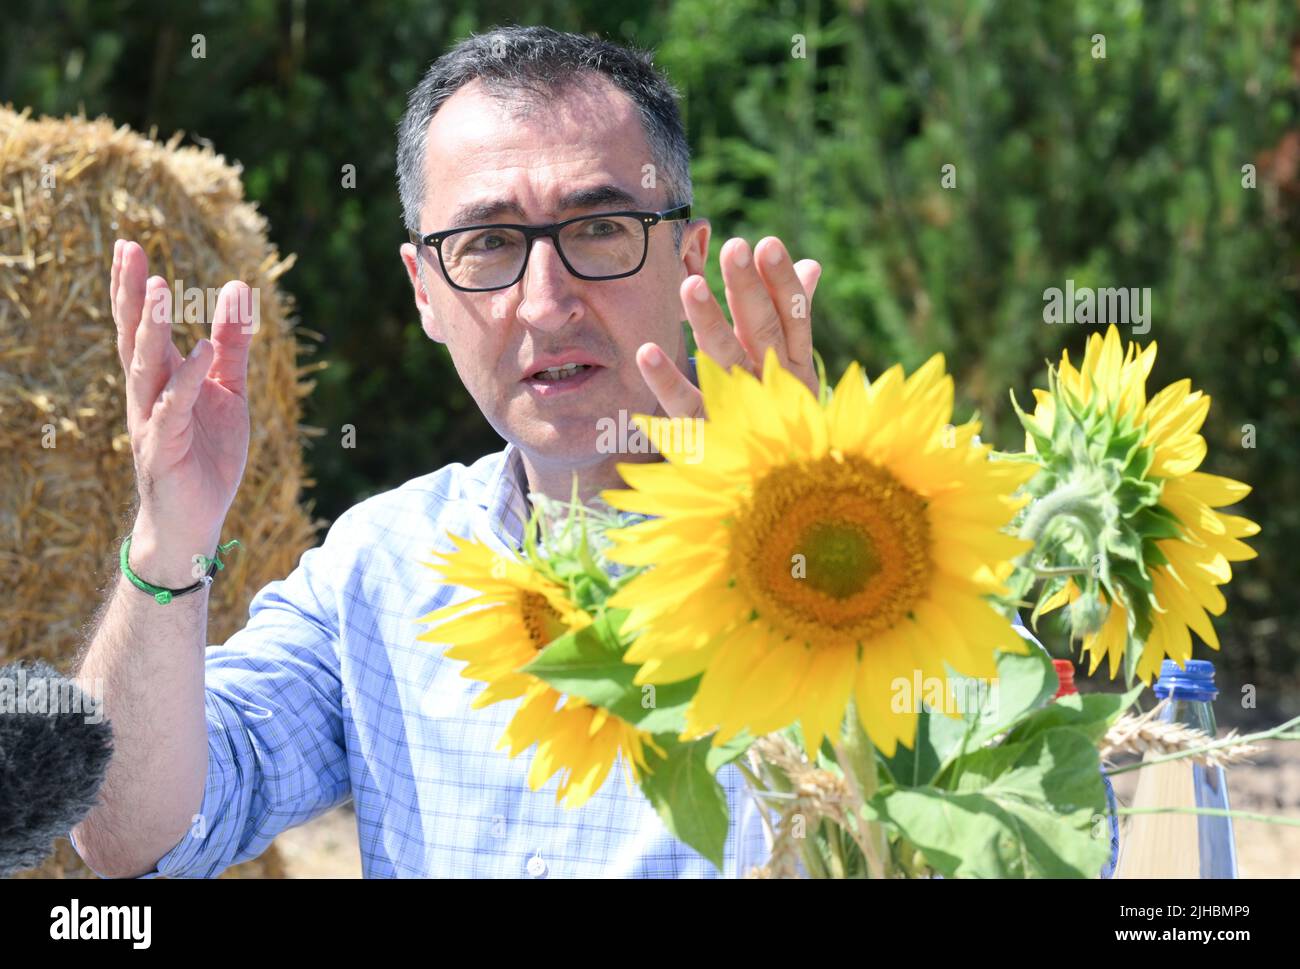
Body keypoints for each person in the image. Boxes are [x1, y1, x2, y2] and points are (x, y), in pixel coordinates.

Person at [70, 24, 819, 878]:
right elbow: (131, 835)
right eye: (489, 244)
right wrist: (167, 544)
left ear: (687, 255)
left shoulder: (846, 538)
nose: (545, 303)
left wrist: (809, 538)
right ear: (425, 291)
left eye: (600, 227)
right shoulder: (379, 570)